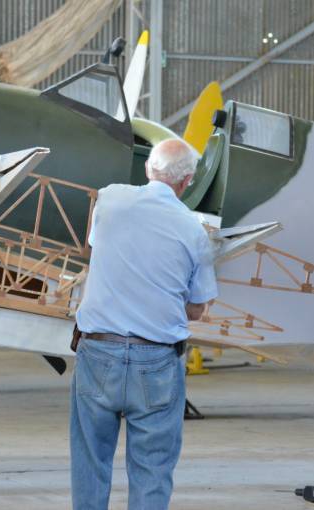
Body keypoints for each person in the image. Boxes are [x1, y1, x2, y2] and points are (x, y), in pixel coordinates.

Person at [70, 139, 218, 510]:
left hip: (98, 352)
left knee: (90, 462)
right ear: (186, 182)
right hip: (156, 361)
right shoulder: (194, 231)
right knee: (152, 470)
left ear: (149, 169)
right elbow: (198, 309)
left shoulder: (110, 199)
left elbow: (96, 245)